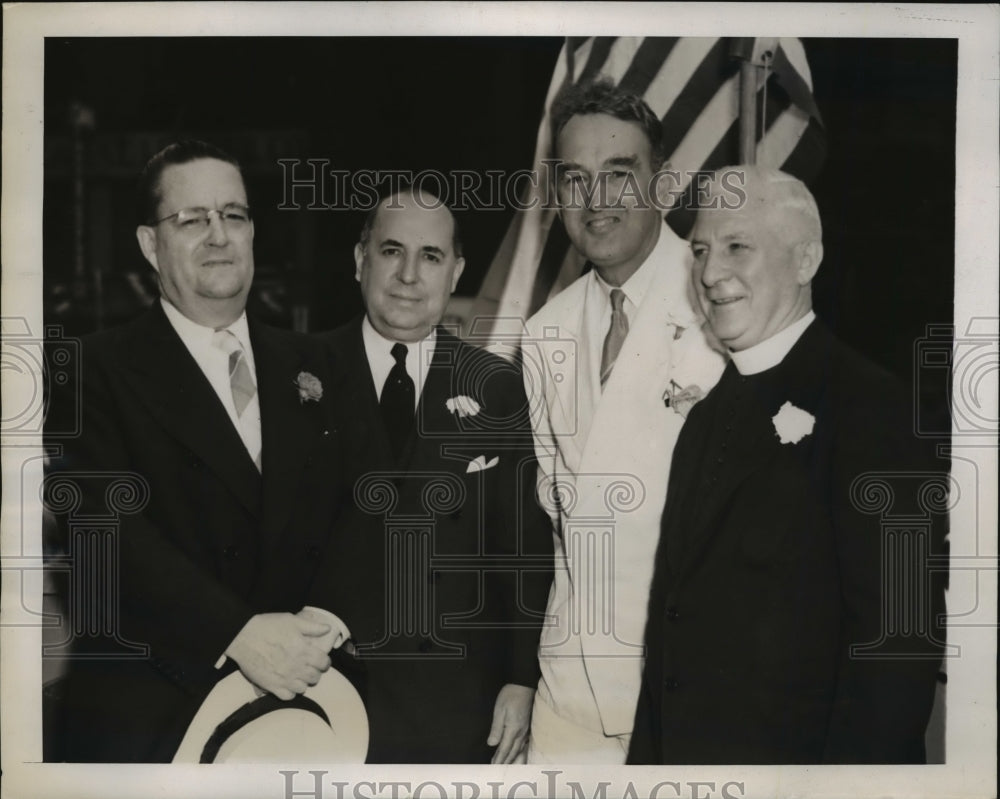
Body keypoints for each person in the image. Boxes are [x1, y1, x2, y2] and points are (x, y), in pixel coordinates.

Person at [628, 165, 947, 764]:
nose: (710, 272)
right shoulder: (705, 417)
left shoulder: (870, 408)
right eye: (699, 250)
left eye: (736, 247)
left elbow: (897, 650)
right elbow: (670, 631)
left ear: (806, 262)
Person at [44, 141, 344, 762]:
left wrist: (322, 624)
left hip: (303, 706)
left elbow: (361, 508)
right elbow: (101, 528)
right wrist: (235, 633)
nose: (218, 235)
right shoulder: (93, 369)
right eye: (192, 219)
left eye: (233, 215)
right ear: (150, 245)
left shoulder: (314, 363)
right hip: (153, 711)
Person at [304, 188, 553, 763]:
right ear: (360, 258)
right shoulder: (296, 372)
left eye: (432, 257)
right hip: (321, 696)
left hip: (455, 706)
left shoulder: (497, 386)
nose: (409, 275)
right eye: (392, 251)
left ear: (456, 270)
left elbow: (523, 549)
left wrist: (522, 678)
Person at [520, 78, 726, 763]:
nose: (595, 201)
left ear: (661, 185)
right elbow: (558, 521)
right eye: (574, 179)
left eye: (619, 175)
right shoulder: (545, 331)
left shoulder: (723, 308)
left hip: (686, 686)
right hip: (571, 691)